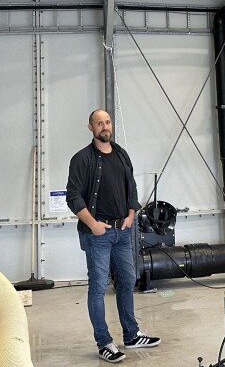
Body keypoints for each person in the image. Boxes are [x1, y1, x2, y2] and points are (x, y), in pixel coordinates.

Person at [66, 109, 161, 363]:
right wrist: (93, 225)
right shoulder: (82, 159)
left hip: (123, 231)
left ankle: (131, 335)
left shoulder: (120, 154)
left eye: (107, 122)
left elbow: (132, 187)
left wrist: (131, 215)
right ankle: (104, 341)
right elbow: (73, 196)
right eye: (99, 123)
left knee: (127, 280)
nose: (104, 126)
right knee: (98, 287)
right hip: (98, 234)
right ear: (90, 127)